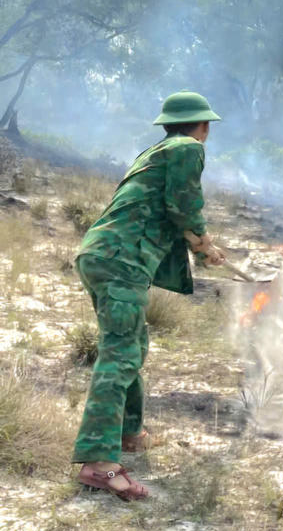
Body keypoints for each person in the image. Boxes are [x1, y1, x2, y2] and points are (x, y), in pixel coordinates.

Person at [73, 91, 226, 501]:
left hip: (102, 255)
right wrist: (204, 243)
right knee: (120, 354)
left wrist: (201, 246)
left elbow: (167, 209)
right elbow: (183, 204)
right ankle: (99, 465)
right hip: (121, 260)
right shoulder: (187, 148)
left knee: (132, 345)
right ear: (204, 125)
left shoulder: (156, 151)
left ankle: (129, 434)